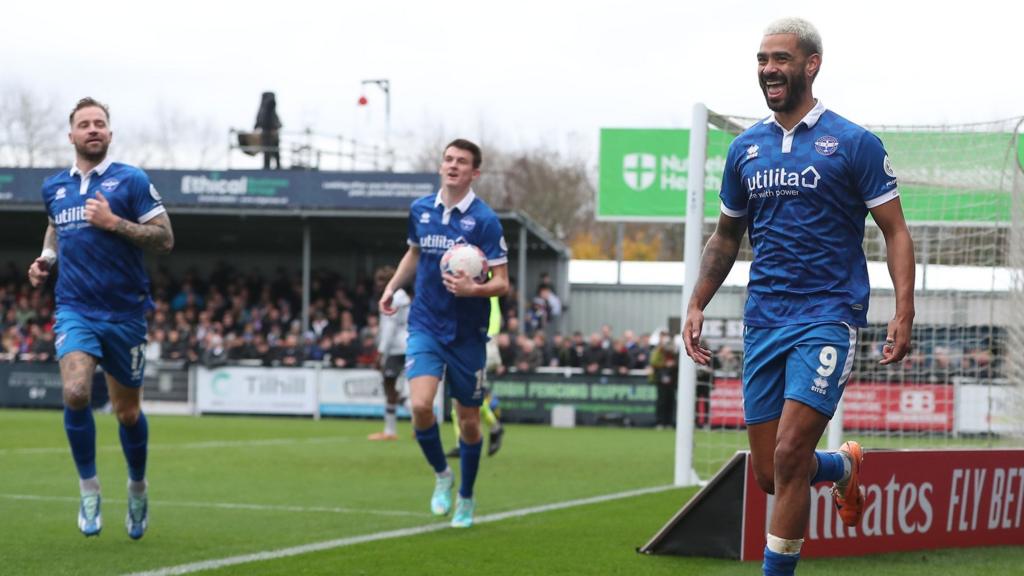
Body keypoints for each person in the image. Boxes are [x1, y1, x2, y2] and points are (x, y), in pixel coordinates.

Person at [681, 19, 915, 576]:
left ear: (811, 65)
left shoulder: (854, 143)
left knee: (788, 457)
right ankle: (840, 468)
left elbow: (896, 231)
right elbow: (726, 236)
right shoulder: (745, 149)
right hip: (764, 319)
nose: (768, 70)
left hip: (828, 317)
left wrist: (903, 309)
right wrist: (697, 303)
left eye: (780, 59)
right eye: (762, 60)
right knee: (770, 474)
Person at [28, 97, 175, 539]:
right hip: (75, 308)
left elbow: (165, 238)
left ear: (109, 134)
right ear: (71, 135)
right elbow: (56, 224)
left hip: (125, 313)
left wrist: (115, 223)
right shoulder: (54, 186)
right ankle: (89, 489)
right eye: (84, 124)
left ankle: (137, 487)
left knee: (127, 414)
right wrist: (46, 258)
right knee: (75, 393)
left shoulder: (130, 181)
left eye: (100, 124)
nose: (93, 129)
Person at [379, 139, 509, 529]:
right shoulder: (421, 210)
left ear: (474, 173)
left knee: (468, 420)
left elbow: (501, 282)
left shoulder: (485, 221)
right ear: (442, 166)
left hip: (468, 334)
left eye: (462, 162)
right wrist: (392, 287)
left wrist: (475, 289)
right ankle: (442, 476)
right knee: (419, 406)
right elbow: (415, 253)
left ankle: (466, 497)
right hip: (425, 324)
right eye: (448, 159)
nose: (453, 166)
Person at [369, 266, 409, 441]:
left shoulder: (392, 299)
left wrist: (380, 353)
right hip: (410, 345)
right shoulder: (405, 297)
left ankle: (390, 431)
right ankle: (419, 424)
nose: (378, 286)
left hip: (396, 348)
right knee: (403, 389)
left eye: (381, 282)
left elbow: (389, 328)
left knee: (390, 387)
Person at [254, 91, 282, 170]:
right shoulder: (264, 111)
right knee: (267, 152)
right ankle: (269, 167)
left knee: (274, 152)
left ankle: (276, 167)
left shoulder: (269, 110)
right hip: (266, 135)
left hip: (271, 136)